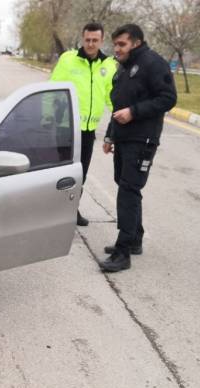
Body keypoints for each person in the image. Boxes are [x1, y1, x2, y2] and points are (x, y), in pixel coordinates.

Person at [99, 24, 177, 272]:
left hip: (142, 139)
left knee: (129, 191)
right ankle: (134, 239)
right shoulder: (123, 67)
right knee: (125, 185)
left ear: (136, 42)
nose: (117, 49)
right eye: (116, 45)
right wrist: (111, 135)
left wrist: (134, 112)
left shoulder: (154, 63)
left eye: (122, 44)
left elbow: (168, 98)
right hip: (123, 138)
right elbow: (118, 103)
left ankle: (123, 252)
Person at [49, 22, 117, 226]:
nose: (90, 43)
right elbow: (54, 89)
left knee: (81, 173)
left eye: (95, 40)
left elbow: (111, 97)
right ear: (82, 38)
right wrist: (47, 120)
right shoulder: (68, 59)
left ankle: (71, 210)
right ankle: (55, 212)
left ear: (101, 40)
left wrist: (121, 117)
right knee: (62, 172)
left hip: (88, 131)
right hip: (66, 128)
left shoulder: (108, 65)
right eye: (87, 39)